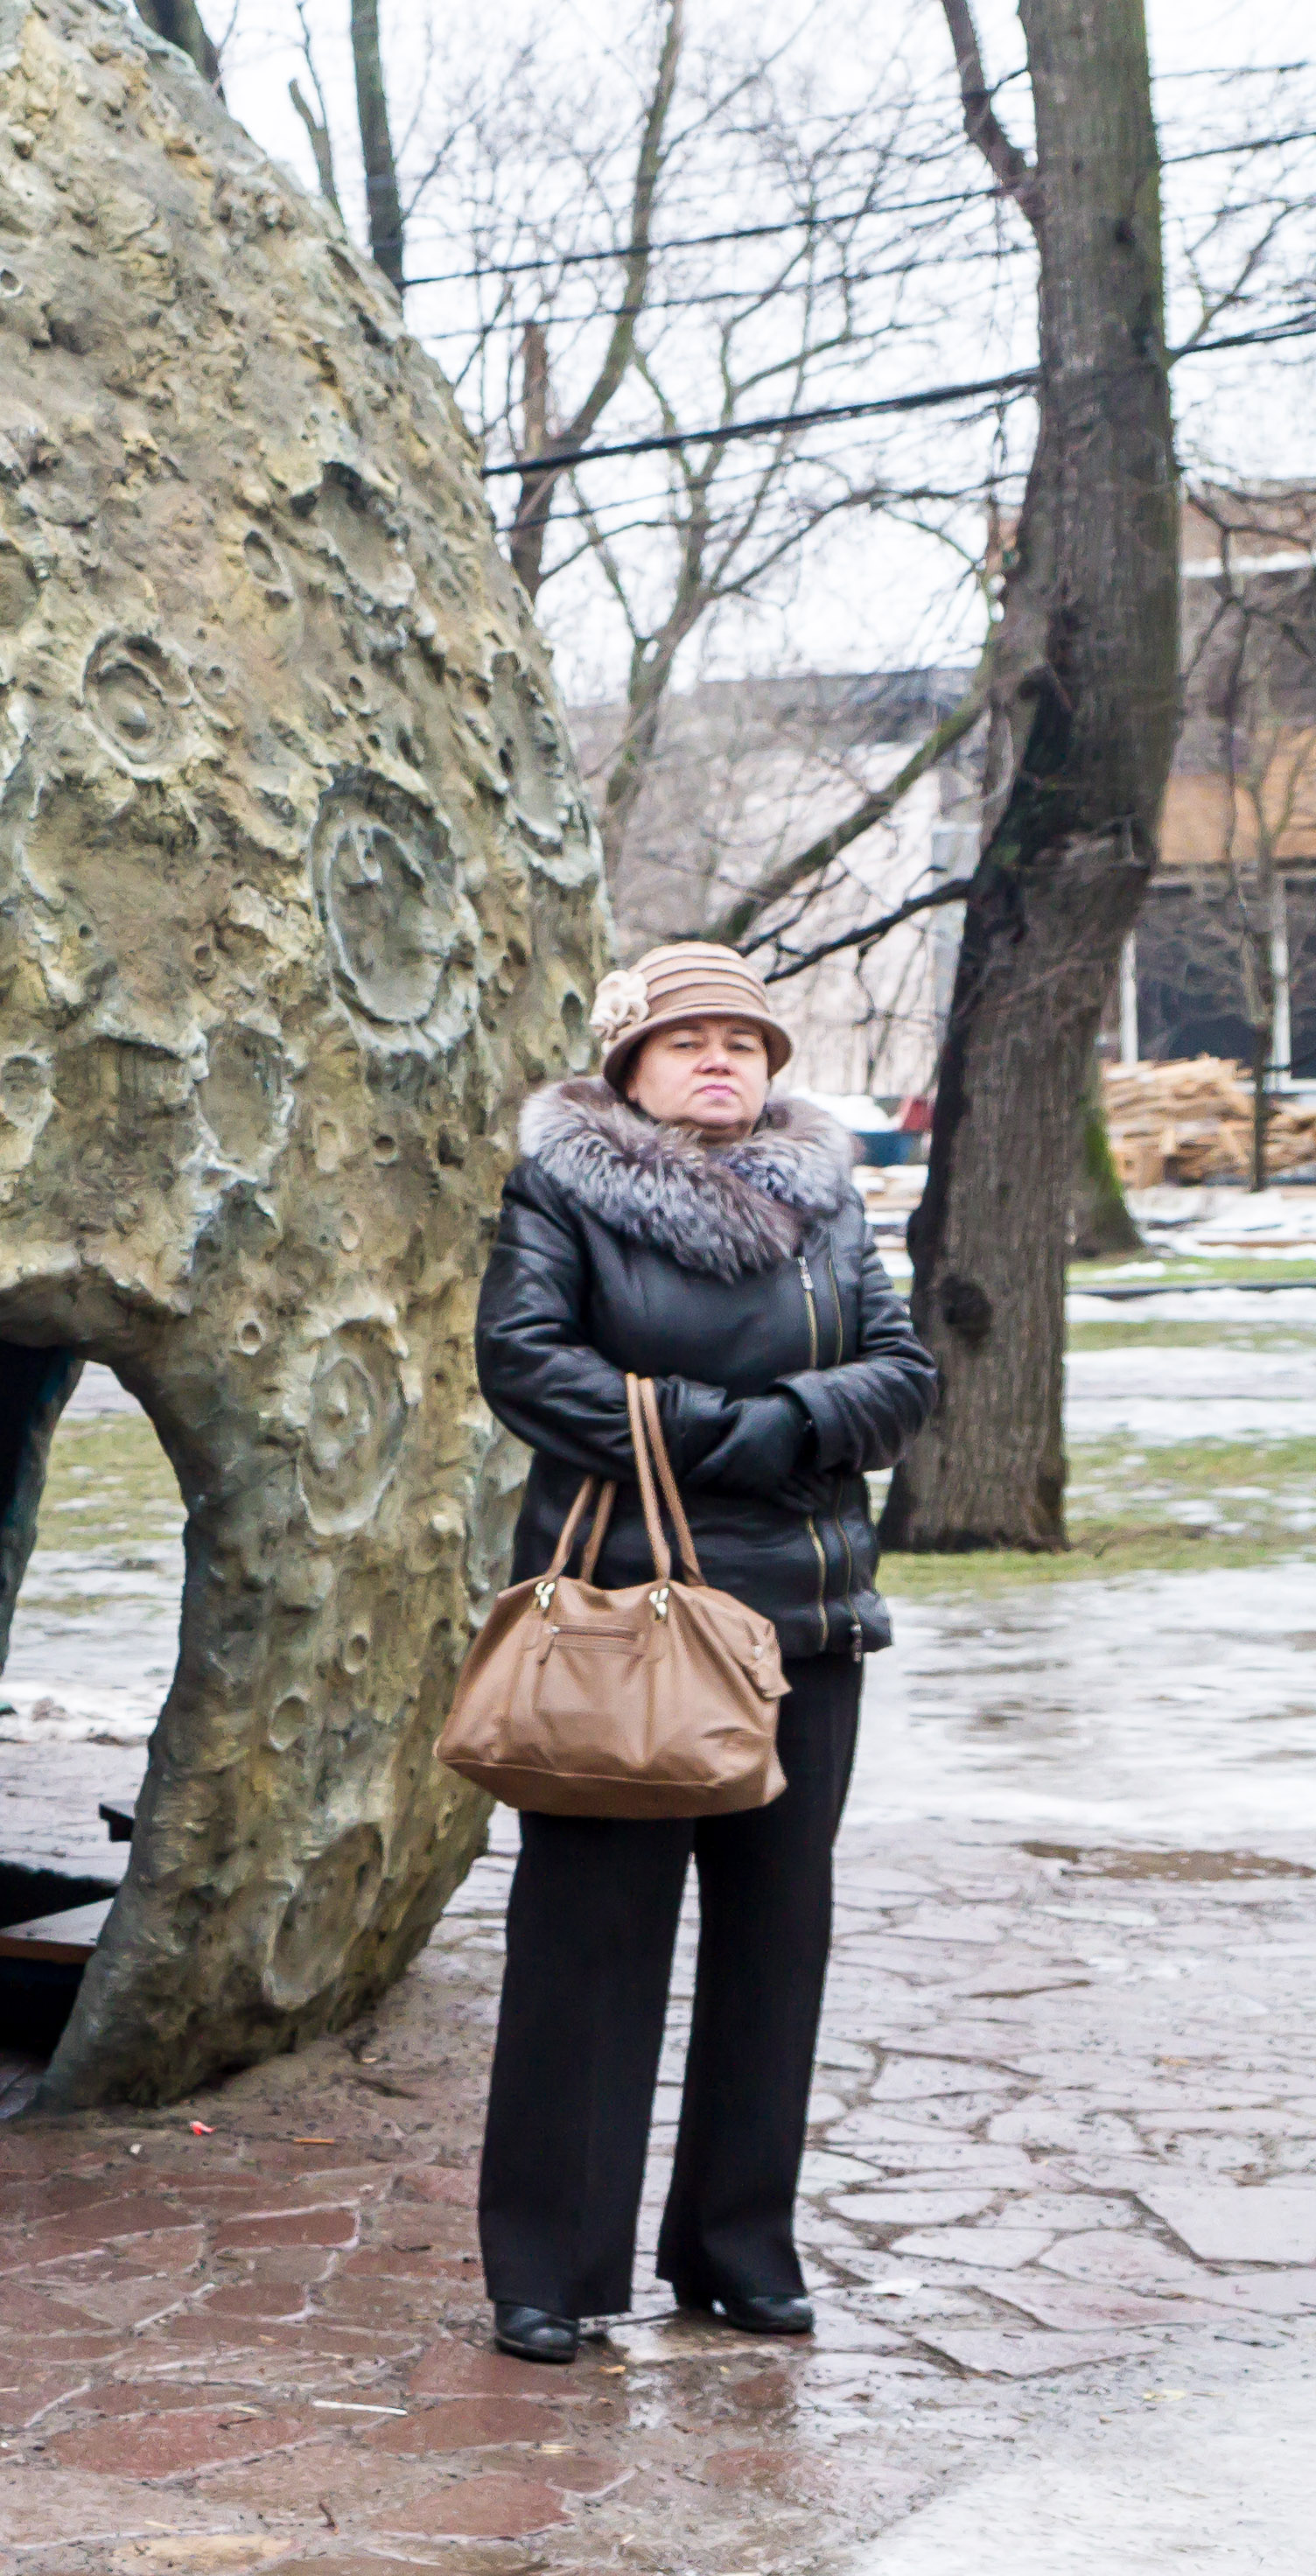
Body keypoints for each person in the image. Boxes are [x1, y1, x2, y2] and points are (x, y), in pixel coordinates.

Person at [468, 942, 936, 2365]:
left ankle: (736, 2253)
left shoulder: (828, 1197)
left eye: (742, 1038)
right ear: (625, 1067)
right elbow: (523, 1362)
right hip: (627, 1624)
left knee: (770, 1947)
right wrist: (723, 1426)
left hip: (804, 1624)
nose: (720, 1058)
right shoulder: (558, 1192)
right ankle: (545, 2272)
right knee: (585, 1946)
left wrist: (776, 1426)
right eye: (684, 1041)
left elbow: (900, 1372)